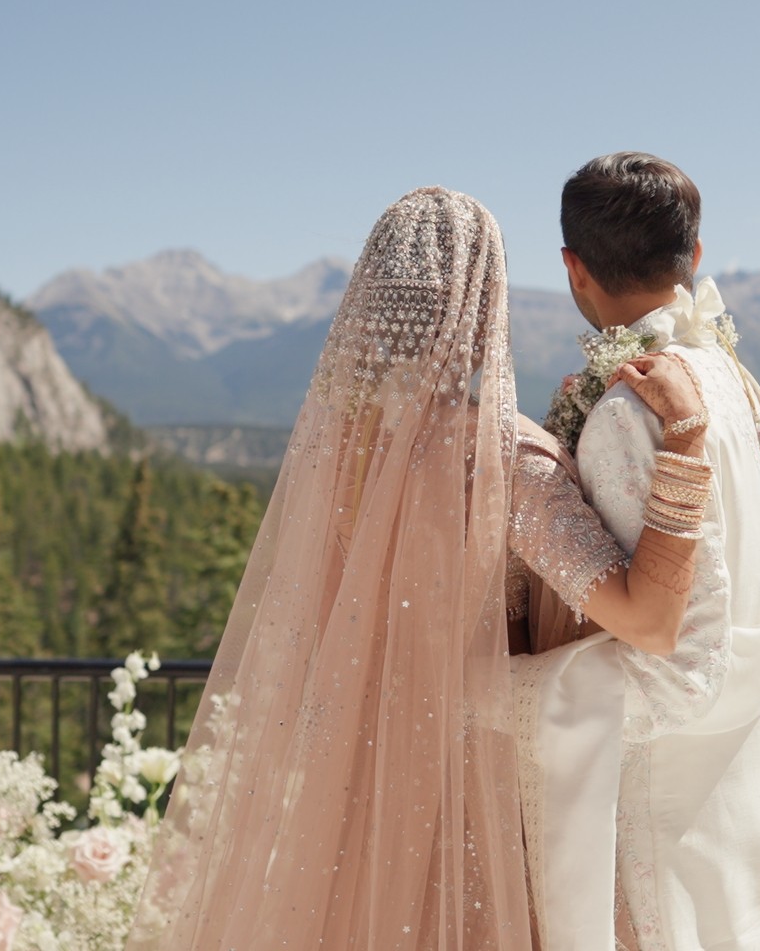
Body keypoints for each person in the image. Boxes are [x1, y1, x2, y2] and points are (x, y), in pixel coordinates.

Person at [127, 186, 711, 951]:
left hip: (364, 801)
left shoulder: (337, 458)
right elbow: (652, 622)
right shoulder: (500, 461)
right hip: (489, 811)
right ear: (481, 313)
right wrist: (687, 443)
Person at [515, 153, 760, 950]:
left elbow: (661, 632)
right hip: (745, 750)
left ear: (573, 270)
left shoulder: (630, 406)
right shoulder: (736, 380)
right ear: (696, 256)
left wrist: (517, 689)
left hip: (662, 787)